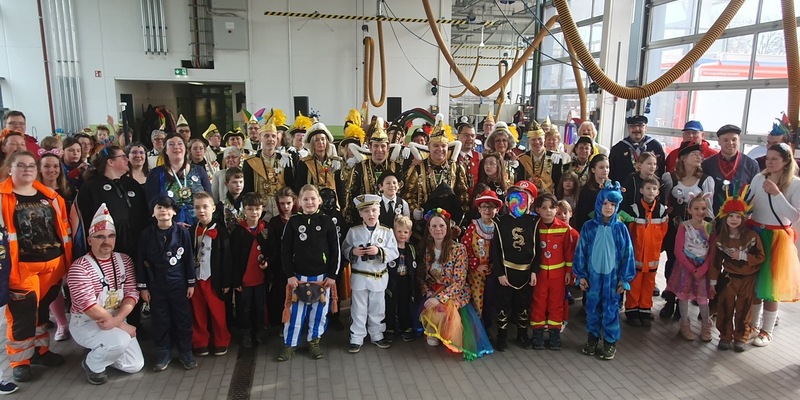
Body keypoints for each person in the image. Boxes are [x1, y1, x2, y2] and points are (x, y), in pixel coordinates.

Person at [1, 150, 71, 382]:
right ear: (9, 169)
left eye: (31, 165)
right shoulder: (2, 198)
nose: (27, 169)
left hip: (53, 265)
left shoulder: (51, 197)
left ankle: (40, 351)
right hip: (21, 269)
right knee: (22, 315)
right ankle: (20, 361)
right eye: (21, 165)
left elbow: (63, 232)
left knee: (42, 312)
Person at [67, 204, 144, 385]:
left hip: (115, 318)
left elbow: (132, 294)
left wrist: (117, 321)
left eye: (111, 236)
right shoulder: (79, 268)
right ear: (89, 240)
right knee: (120, 340)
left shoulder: (124, 260)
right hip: (87, 323)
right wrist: (122, 326)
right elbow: (90, 308)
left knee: (135, 365)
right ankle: (93, 365)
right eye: (100, 236)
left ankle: (101, 349)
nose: (106, 241)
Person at [419, 208, 493, 360]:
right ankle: (435, 330)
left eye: (441, 225)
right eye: (434, 226)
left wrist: (439, 298)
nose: (438, 229)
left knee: (443, 309)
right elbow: (422, 277)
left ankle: (445, 332)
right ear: (429, 229)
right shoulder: (427, 249)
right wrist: (428, 292)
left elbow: (459, 281)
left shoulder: (459, 249)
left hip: (454, 292)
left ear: (447, 227)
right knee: (428, 306)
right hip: (434, 288)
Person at [278, 185, 340, 361]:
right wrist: (289, 275)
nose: (309, 202)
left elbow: (335, 250)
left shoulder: (327, 221)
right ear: (299, 202)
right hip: (298, 277)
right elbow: (285, 251)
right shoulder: (293, 222)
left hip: (322, 278)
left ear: (319, 200)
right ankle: (290, 344)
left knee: (319, 313)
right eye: (305, 199)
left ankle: (314, 342)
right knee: (295, 313)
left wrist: (332, 276)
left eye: (313, 198)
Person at [574, 182, 635, 360]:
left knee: (611, 308)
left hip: (612, 278)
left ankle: (610, 341)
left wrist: (624, 279)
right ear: (599, 203)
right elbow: (580, 252)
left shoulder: (621, 229)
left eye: (613, 205)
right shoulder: (589, 227)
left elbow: (627, 255)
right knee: (592, 307)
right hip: (593, 278)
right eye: (605, 203)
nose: (609, 208)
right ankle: (592, 337)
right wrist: (581, 275)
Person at [747, 143, 800, 347]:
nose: (769, 162)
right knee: (754, 283)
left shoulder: (795, 184)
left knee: (770, 285)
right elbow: (749, 204)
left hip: (777, 237)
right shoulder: (758, 178)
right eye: (768, 158)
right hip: (755, 232)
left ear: (786, 161)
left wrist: (777, 193)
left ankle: (766, 331)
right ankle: (752, 325)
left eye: (775, 159)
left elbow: (794, 216)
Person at [136, 195, 197, 371]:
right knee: (160, 319)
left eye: (168, 207)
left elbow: (188, 259)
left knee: (183, 318)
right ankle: (163, 353)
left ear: (174, 212)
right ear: (153, 213)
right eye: (159, 207)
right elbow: (140, 261)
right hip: (156, 284)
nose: (164, 211)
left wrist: (191, 283)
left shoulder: (182, 232)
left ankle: (185, 352)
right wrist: (143, 287)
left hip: (178, 283)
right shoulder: (146, 234)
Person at [660, 142, 715, 319]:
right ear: (683, 158)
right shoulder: (670, 177)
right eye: (694, 154)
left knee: (691, 264)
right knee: (672, 262)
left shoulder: (706, 180)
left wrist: (708, 229)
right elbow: (662, 202)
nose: (699, 157)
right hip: (674, 229)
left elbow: (709, 208)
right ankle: (670, 299)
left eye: (700, 154)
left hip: (696, 231)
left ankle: (683, 302)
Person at [708, 186, 764, 351]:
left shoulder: (752, 236)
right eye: (731, 216)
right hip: (729, 278)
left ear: (743, 218)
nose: (734, 219)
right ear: (725, 217)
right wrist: (713, 281)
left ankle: (741, 336)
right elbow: (715, 261)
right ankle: (725, 336)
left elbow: (761, 257)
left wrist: (744, 256)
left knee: (744, 309)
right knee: (725, 307)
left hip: (747, 279)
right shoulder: (720, 239)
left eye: (738, 216)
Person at [342, 194, 399, 353]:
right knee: (358, 308)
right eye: (366, 211)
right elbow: (344, 248)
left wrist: (379, 251)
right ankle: (356, 336)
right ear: (360, 214)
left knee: (377, 308)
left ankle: (377, 334)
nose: (371, 214)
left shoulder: (387, 232)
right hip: (360, 276)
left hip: (378, 277)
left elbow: (394, 252)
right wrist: (353, 251)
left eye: (374, 210)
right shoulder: (354, 232)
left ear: (379, 211)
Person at [490, 181, 539, 351]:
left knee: (523, 305)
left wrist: (534, 271)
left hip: (525, 272)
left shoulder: (534, 221)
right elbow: (495, 251)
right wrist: (500, 273)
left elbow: (537, 249)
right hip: (506, 272)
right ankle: (502, 336)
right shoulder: (499, 222)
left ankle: (522, 334)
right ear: (507, 201)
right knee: (503, 305)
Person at [529, 193, 576, 350]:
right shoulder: (534, 227)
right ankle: (538, 332)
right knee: (539, 303)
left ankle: (555, 333)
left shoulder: (564, 228)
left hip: (559, 275)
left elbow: (568, 252)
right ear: (537, 210)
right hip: (540, 274)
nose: (548, 211)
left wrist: (569, 272)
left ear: (557, 209)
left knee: (556, 304)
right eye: (544, 208)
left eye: (551, 207)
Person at [403, 115, 470, 223]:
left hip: (450, 221)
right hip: (425, 222)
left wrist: (461, 216)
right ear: (429, 147)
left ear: (448, 147)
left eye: (443, 146)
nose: (440, 149)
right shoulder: (418, 167)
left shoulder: (456, 167)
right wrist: (414, 210)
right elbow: (408, 194)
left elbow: (463, 194)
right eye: (436, 146)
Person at [666, 193, 714, 341]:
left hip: (702, 267)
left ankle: (706, 325)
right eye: (696, 208)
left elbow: (712, 252)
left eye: (703, 208)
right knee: (683, 296)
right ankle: (684, 324)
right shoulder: (684, 227)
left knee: (703, 298)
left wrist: (703, 269)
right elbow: (677, 251)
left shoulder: (709, 227)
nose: (700, 212)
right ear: (690, 210)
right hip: (685, 267)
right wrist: (691, 268)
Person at [622, 177, 668, 326]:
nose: (651, 191)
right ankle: (632, 310)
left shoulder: (662, 210)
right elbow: (629, 231)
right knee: (635, 283)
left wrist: (656, 247)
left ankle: (645, 309)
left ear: (658, 192)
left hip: (653, 255)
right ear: (641, 190)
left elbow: (663, 231)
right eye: (648, 188)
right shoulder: (634, 209)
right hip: (636, 255)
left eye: (654, 189)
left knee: (649, 283)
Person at [190, 192, 232, 357]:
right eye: (197, 207)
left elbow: (227, 258)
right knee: (197, 312)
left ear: (213, 208)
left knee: (217, 312)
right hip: (196, 278)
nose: (201, 211)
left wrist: (226, 281)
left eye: (205, 207)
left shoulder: (220, 231)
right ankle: (200, 341)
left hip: (213, 279)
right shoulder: (192, 230)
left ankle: (221, 340)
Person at [37, 148, 72, 341]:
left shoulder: (68, 190)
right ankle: (61, 323)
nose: (52, 170)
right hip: (47, 246)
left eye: (55, 166)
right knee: (53, 287)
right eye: (47, 166)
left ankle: (78, 320)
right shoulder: (34, 193)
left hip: (69, 242)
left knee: (71, 281)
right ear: (40, 169)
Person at [144, 132, 212, 227]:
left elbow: (209, 199)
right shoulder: (156, 173)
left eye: (180, 143)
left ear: (185, 149)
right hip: (169, 228)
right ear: (165, 150)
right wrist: (172, 225)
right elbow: (152, 204)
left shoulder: (199, 170)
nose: (176, 147)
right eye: (171, 144)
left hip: (199, 226)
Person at [343, 118, 403, 224]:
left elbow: (402, 194)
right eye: (376, 146)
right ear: (370, 147)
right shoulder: (359, 168)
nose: (379, 150)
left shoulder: (396, 167)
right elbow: (350, 196)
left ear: (388, 148)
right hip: (365, 221)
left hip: (392, 219)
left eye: (383, 146)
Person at [230, 193, 269, 348]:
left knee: (260, 307)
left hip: (260, 279)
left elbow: (272, 250)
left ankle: (259, 331)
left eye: (257, 208)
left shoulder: (265, 228)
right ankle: (246, 333)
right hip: (244, 280)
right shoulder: (238, 231)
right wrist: (236, 280)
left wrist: (268, 262)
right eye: (250, 209)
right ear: (244, 210)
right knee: (244, 308)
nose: (254, 212)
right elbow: (233, 258)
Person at [242, 115, 294, 221]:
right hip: (261, 211)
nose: (270, 139)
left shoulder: (285, 159)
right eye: (266, 136)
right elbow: (247, 190)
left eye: (273, 136)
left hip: (282, 208)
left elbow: (291, 185)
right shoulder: (250, 161)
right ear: (260, 138)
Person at [701, 124, 760, 213]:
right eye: (725, 140)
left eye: (734, 139)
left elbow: (756, 194)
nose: (730, 143)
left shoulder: (751, 165)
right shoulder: (707, 164)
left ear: (739, 140)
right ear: (719, 142)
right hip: (713, 216)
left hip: (739, 217)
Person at [265, 187, 295, 330]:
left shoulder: (299, 218)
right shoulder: (274, 222)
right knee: (280, 294)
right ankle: (281, 322)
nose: (286, 207)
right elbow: (272, 246)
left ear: (294, 201)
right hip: (280, 264)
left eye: (288, 203)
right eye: (282, 204)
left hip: (298, 264)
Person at [293, 122, 343, 205]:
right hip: (312, 204)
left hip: (333, 204)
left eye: (323, 139)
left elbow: (340, 188)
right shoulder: (304, 163)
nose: (320, 142)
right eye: (317, 140)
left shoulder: (335, 162)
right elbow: (300, 187)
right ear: (312, 143)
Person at [386, 216, 417, 342]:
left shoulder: (411, 248)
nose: (402, 234)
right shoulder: (390, 247)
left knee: (404, 304)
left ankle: (405, 326)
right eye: (399, 231)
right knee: (390, 304)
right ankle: (389, 328)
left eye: (405, 232)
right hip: (392, 281)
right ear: (394, 231)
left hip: (406, 281)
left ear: (410, 234)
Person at [609, 115, 665, 184]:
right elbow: (612, 173)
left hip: (649, 188)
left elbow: (661, 171)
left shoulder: (655, 147)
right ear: (628, 129)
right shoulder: (618, 149)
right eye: (632, 126)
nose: (636, 129)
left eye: (640, 125)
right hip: (623, 188)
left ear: (646, 128)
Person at [518, 121, 563, 195]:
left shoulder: (554, 157)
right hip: (528, 196)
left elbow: (558, 183)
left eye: (539, 139)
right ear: (529, 140)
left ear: (544, 139)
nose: (537, 142)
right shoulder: (522, 159)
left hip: (548, 197)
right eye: (533, 139)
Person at [573, 154, 610, 232]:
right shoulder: (587, 189)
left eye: (607, 167)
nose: (605, 170)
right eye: (601, 167)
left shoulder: (612, 188)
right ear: (593, 170)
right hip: (592, 229)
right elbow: (582, 214)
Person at [216, 167, 245, 233]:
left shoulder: (247, 202)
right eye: (234, 182)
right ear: (226, 184)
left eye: (241, 182)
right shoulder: (221, 205)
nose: (238, 185)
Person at [457, 123, 481, 189]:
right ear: (458, 136)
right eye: (466, 135)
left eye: (472, 136)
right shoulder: (451, 156)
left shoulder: (479, 157)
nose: (470, 138)